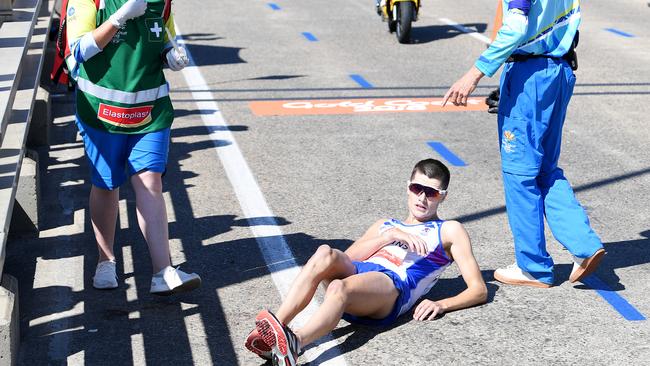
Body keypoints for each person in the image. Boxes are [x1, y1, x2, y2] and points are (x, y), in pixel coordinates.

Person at [244, 159, 487, 365]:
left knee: (340, 286)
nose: (422, 198)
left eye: (431, 193)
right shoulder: (387, 224)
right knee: (324, 253)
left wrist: (443, 304)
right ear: (408, 187)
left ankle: (295, 343)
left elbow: (479, 290)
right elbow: (348, 258)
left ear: (442, 197)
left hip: (393, 286)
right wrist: (389, 236)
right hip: (362, 276)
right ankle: (274, 332)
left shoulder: (449, 230)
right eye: (416, 188)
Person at [442, 0, 604, 288]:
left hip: (530, 76)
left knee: (520, 175)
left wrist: (475, 73)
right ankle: (584, 245)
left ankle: (533, 267)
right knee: (545, 170)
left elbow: (516, 26)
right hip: (560, 70)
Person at [66, 0, 200, 295]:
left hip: (150, 110)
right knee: (106, 184)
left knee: (150, 181)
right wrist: (119, 17)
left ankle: (162, 271)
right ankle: (105, 260)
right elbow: (77, 51)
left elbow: (162, 36)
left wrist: (170, 55)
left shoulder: (161, 1)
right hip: (101, 113)